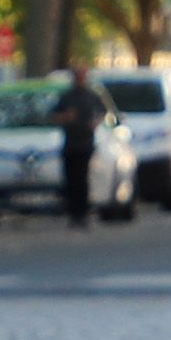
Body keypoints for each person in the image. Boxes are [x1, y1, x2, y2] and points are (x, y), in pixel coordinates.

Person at [54, 64, 106, 229]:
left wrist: (95, 122)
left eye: (82, 76)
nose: (80, 79)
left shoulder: (92, 96)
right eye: (78, 76)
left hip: (85, 143)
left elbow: (103, 113)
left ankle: (82, 213)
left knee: (82, 179)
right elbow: (54, 116)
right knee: (71, 180)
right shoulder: (67, 97)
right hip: (70, 143)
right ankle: (72, 213)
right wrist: (65, 117)